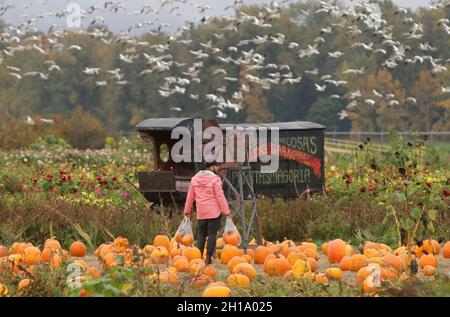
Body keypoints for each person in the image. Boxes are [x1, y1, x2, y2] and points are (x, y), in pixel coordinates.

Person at [183, 165, 231, 265]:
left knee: (201, 234)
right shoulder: (215, 179)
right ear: (211, 167)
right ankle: (208, 257)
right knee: (212, 234)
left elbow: (190, 197)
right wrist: (227, 211)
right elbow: (220, 196)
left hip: (201, 213)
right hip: (214, 213)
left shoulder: (194, 179)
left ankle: (198, 256)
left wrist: (186, 211)